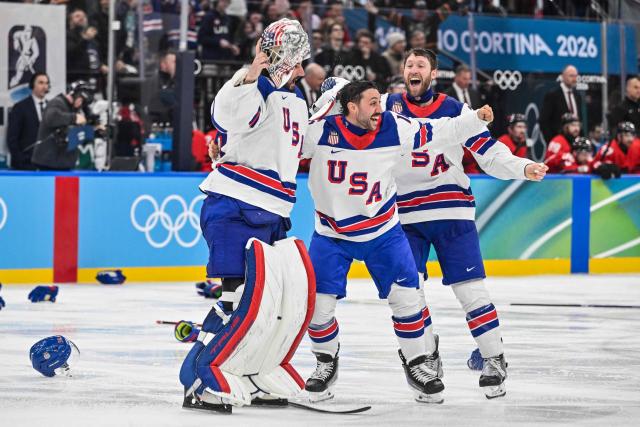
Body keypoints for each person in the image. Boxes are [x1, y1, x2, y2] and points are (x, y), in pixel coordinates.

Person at [301, 80, 495, 404]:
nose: (382, 107)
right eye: (373, 102)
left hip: (383, 233)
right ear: (350, 106)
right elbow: (282, 143)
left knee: (408, 300)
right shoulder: (320, 131)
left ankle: (419, 364)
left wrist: (476, 118)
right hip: (331, 234)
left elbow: (439, 131)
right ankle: (325, 362)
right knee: (317, 309)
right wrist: (223, 152)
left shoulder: (394, 126)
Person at [382, 48, 548, 399]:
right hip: (404, 216)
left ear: (433, 73)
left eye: (420, 65)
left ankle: (493, 358)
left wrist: (522, 167)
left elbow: (488, 152)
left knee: (470, 290)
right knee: (407, 294)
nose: (413, 69)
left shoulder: (456, 110)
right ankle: (424, 360)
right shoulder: (385, 106)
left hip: (451, 210)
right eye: (409, 64)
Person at [179, 18, 311, 410]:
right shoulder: (249, 84)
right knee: (239, 301)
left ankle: (250, 371)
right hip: (235, 206)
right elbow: (227, 117)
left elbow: (296, 149)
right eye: (297, 59)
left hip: (271, 212)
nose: (303, 69)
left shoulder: (294, 97)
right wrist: (256, 71)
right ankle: (199, 378)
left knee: (269, 306)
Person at [31, 80, 92, 171]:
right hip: (49, 164)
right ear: (73, 95)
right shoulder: (57, 102)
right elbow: (51, 118)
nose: (80, 104)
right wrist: (74, 118)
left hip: (63, 163)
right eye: (80, 99)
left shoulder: (73, 108)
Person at [7, 72, 50, 170]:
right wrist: (21, 160)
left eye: (46, 83)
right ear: (32, 85)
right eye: (41, 83)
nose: (44, 86)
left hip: (47, 165)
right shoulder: (20, 107)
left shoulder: (52, 107)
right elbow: (12, 138)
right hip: (25, 165)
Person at [540, 65, 583, 142]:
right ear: (563, 77)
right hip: (558, 142)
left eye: (576, 76)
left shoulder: (578, 96)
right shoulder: (552, 95)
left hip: (575, 144)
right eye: (571, 76)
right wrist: (551, 141)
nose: (574, 79)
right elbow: (543, 121)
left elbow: (580, 119)